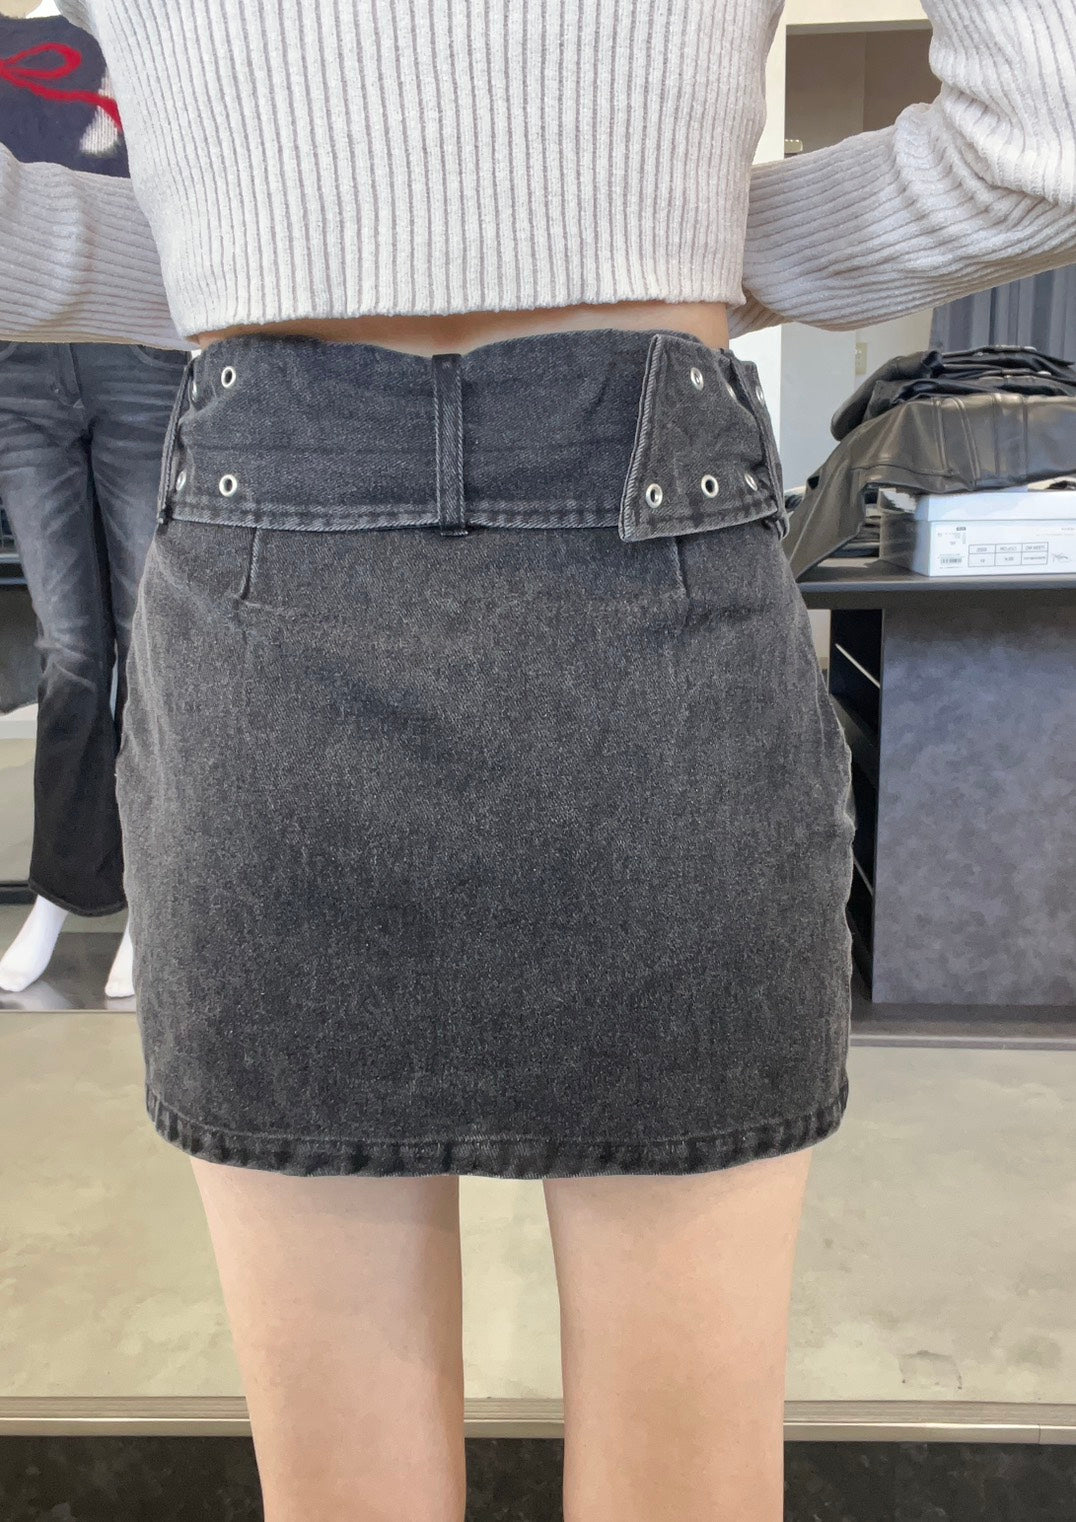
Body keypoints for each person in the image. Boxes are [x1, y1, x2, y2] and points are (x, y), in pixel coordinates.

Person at [2, 3, 1074, 1519]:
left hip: (273, 545)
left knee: (342, 1488)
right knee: (686, 1482)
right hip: (650, 536)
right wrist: (650, 235)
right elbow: (1043, 141)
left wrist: (245, 246)